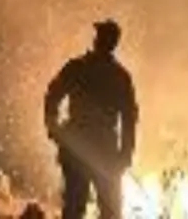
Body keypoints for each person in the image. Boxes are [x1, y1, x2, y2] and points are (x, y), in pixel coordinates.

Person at [44, 19, 138, 219]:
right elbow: (129, 120)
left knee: (75, 207)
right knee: (109, 211)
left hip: (79, 148)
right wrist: (125, 154)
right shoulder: (120, 76)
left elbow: (52, 95)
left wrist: (54, 128)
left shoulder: (78, 67)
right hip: (105, 151)